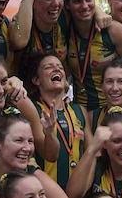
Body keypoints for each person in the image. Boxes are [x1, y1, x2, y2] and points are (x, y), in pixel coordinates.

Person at [21, 50, 90, 188]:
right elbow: (49, 155)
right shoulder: (33, 109)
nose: (57, 69)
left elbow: (92, 154)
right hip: (45, 194)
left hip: (79, 194)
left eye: (60, 67)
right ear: (36, 80)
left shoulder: (79, 111)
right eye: (48, 67)